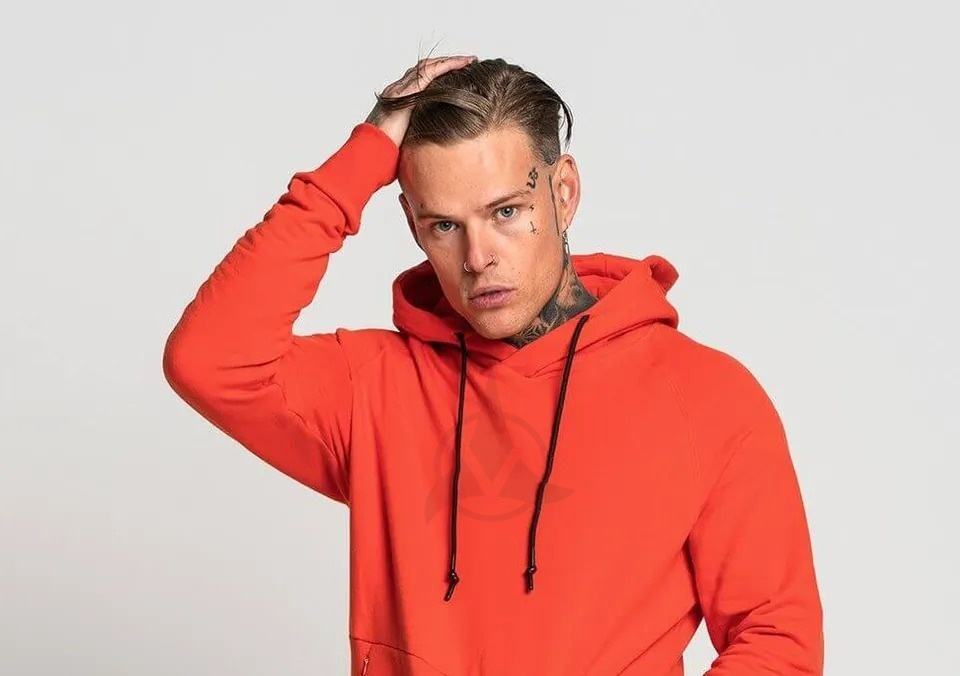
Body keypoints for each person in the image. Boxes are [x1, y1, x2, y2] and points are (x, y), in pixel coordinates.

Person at [163, 55, 824, 675]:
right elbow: (210, 361)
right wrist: (365, 156)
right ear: (413, 225)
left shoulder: (704, 397)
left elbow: (776, 638)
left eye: (506, 212)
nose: (478, 258)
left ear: (563, 193)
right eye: (444, 226)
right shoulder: (374, 388)